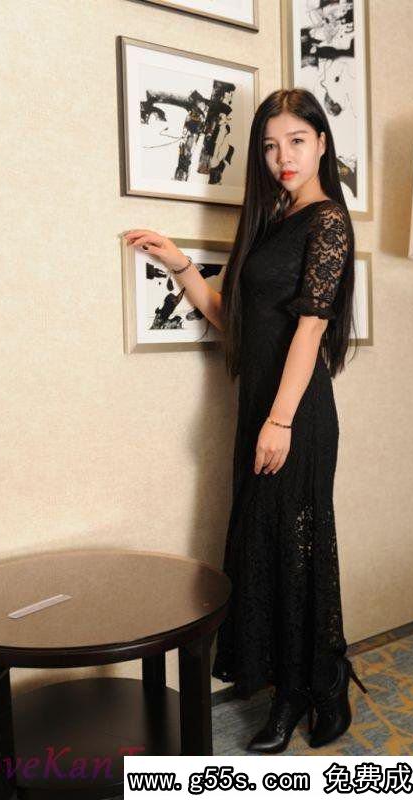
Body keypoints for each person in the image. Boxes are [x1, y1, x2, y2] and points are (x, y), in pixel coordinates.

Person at [124, 87, 367, 753]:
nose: (283, 156)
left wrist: (280, 422)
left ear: (321, 143)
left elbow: (310, 330)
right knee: (267, 550)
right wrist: (179, 263)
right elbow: (234, 319)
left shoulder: (328, 222)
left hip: (295, 414)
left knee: (295, 550)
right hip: (259, 410)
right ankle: (314, 685)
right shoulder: (274, 219)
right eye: (270, 145)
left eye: (297, 141)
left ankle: (304, 693)